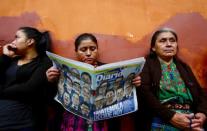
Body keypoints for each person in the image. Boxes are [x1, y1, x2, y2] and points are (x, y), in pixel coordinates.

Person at [46, 33, 142, 131]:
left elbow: (123, 98)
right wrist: (51, 81)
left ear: (97, 50)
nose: (88, 53)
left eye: (92, 49)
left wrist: (134, 84)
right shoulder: (65, 70)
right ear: (76, 51)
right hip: (74, 122)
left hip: (103, 123)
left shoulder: (110, 70)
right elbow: (53, 100)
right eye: (83, 50)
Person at [137, 27, 207, 131]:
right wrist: (171, 116)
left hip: (190, 117)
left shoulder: (184, 67)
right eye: (162, 41)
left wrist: (202, 113)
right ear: (153, 47)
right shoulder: (145, 65)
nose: (169, 44)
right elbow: (145, 94)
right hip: (161, 116)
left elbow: (199, 92)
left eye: (172, 40)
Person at [0, 26, 52, 131]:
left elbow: (29, 88)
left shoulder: (44, 62)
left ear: (30, 41)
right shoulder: (12, 59)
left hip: (21, 120)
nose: (13, 41)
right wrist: (5, 57)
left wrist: (1, 91)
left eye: (17, 38)